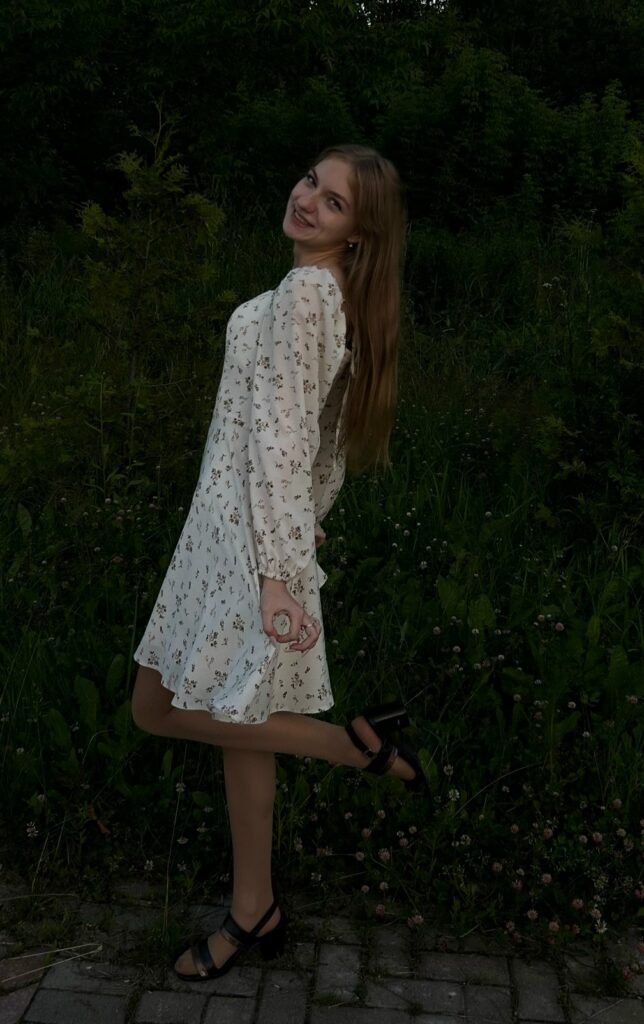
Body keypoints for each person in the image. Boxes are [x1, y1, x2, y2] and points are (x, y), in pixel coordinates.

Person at [130, 143, 428, 982]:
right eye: (310, 182)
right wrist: (305, 524)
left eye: (333, 202)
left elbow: (286, 439)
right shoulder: (332, 298)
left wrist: (277, 571)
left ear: (358, 233)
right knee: (238, 724)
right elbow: (325, 442)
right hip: (236, 536)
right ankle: (254, 906)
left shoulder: (307, 296)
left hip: (244, 550)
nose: (307, 201)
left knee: (156, 709)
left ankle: (353, 749)